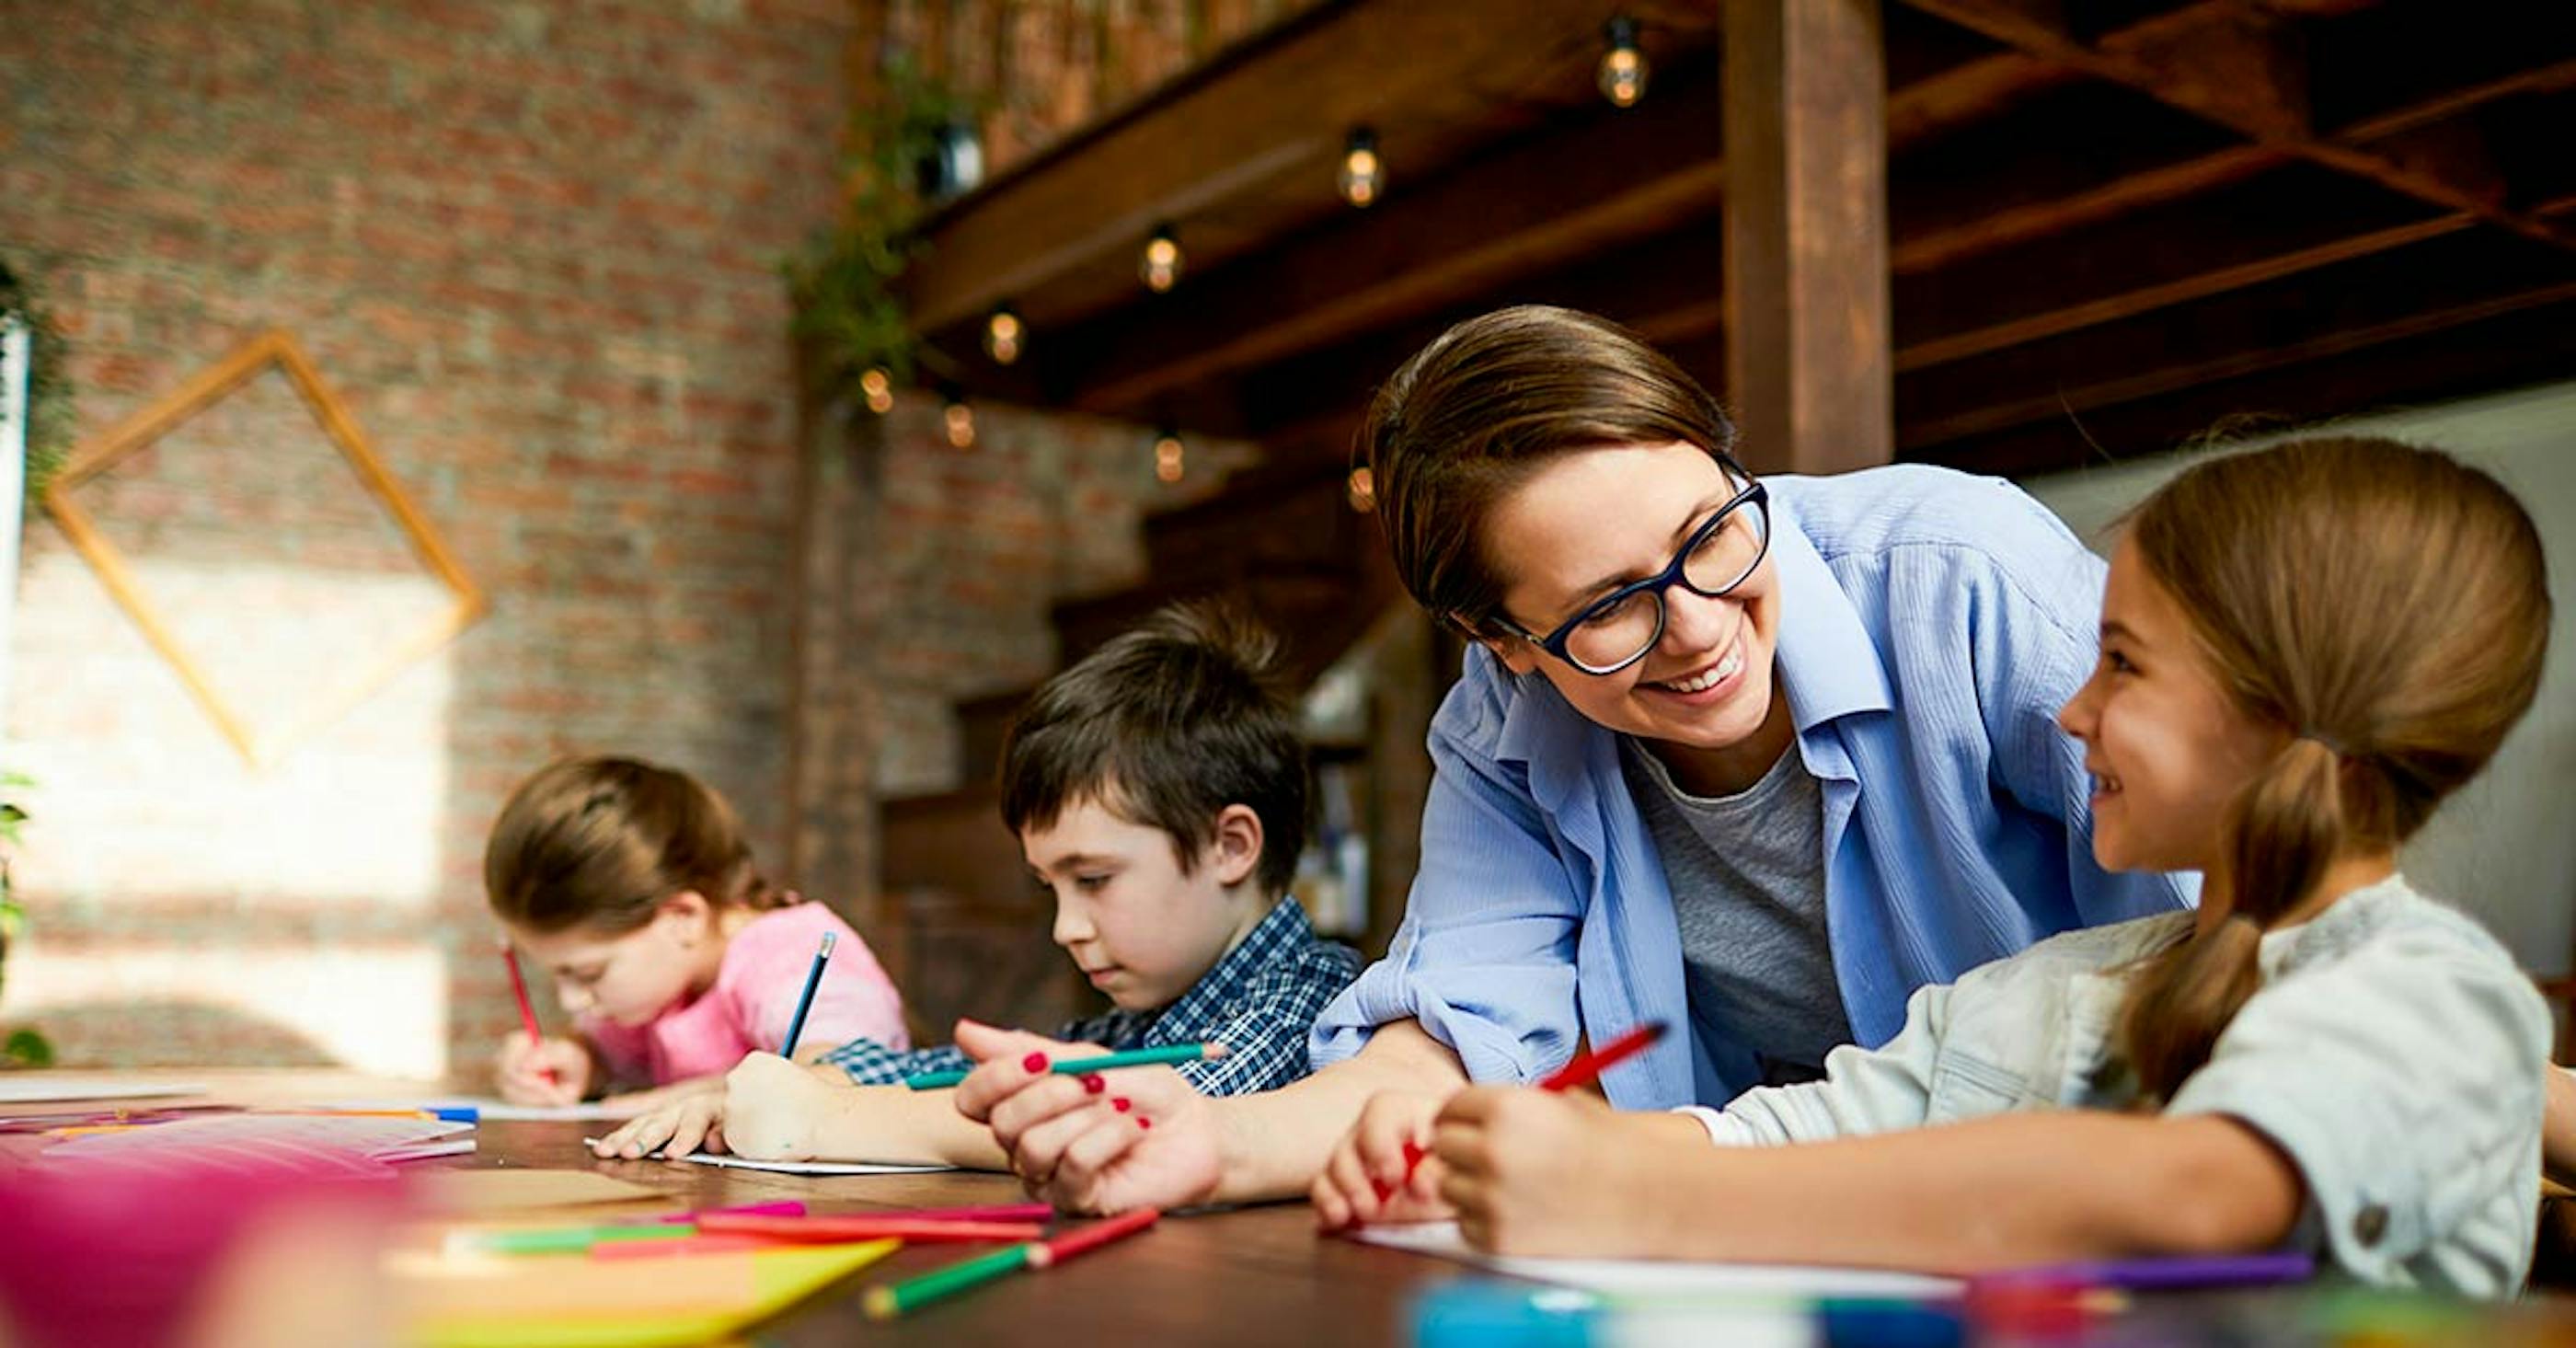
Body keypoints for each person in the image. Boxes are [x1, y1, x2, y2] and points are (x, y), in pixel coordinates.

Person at [953, 304, 2189, 1214]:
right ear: (1501, 644)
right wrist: (1213, 1143)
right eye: (1609, 606)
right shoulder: (1501, 729)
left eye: (1710, 532)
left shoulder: (1967, 584)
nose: (1699, 625)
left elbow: (2248, 923)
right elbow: (1454, 1036)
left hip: (2105, 1191)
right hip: (1779, 1217)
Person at [1418, 437, 2551, 1296]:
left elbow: (2195, 1193)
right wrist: (1516, 1153)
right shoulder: (2052, 986)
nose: (2070, 708)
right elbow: (1796, 1128)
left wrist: (1642, 1193)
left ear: (2271, 709)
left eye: (2121, 663)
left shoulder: (2428, 995)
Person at [592, 604, 1363, 1167]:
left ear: (1231, 844)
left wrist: (831, 1116)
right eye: (1050, 887)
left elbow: (1138, 1123)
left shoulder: (1310, 999)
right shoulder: (1141, 1020)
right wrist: (806, 1078)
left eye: (1093, 878)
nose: (1066, 927)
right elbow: (956, 1072)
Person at [486, 755, 906, 1112]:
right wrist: (579, 1062)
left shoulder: (788, 953)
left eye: (589, 973)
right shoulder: (662, 981)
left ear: (682, 917)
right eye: (558, 974)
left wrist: (670, 1101)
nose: (572, 1000)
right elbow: (614, 1055)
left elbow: (846, 1069)